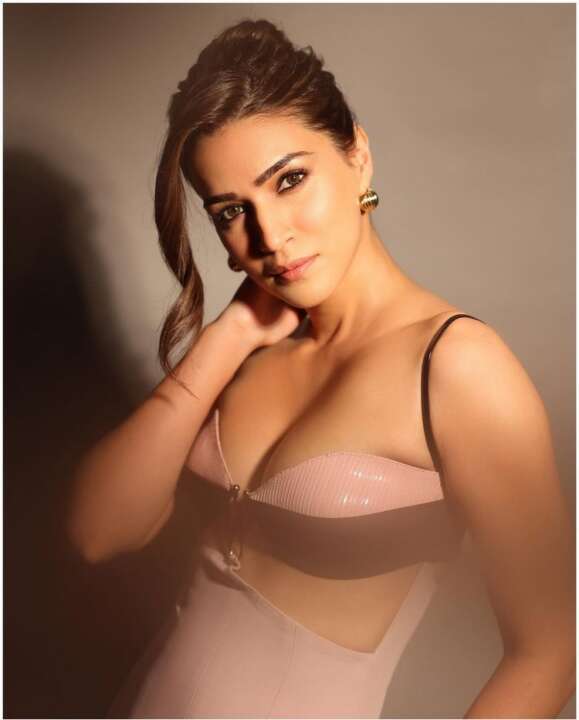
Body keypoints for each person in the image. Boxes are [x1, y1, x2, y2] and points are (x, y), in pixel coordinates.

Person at [67, 18, 575, 719]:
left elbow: (550, 650)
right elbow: (99, 532)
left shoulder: (455, 367)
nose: (270, 236)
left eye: (290, 180)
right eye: (230, 211)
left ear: (357, 155)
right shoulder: (246, 357)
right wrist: (228, 335)